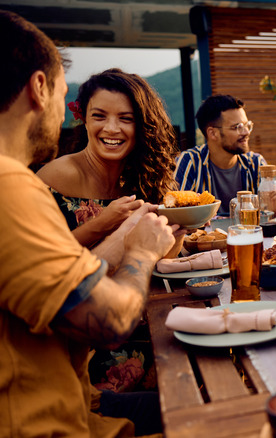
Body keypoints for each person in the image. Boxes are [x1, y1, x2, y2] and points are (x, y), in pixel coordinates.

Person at [0, 10, 176, 437]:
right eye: (66, 95)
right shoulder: (11, 189)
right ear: (40, 88)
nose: (65, 113)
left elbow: (69, 276)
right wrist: (141, 252)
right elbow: (111, 323)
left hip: (80, 409)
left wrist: (129, 232)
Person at [37, 68, 178, 249]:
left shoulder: (146, 178)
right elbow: (38, 256)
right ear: (84, 119)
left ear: (143, 126)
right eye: (99, 116)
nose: (111, 128)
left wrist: (180, 230)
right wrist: (102, 224)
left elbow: (159, 260)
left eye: (126, 118)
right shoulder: (56, 176)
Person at [175, 94, 276, 216]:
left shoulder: (255, 163)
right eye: (237, 127)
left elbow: (269, 216)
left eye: (247, 125)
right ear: (213, 133)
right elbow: (178, 214)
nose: (246, 132)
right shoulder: (189, 162)